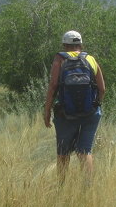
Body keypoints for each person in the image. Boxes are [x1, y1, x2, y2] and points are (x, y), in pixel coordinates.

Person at [43, 30, 105, 180]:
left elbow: (53, 86)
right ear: (81, 44)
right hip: (90, 113)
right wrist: (95, 104)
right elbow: (102, 88)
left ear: (65, 45)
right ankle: (88, 187)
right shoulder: (90, 59)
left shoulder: (60, 59)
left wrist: (47, 111)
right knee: (85, 151)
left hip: (65, 114)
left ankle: (62, 187)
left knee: (63, 153)